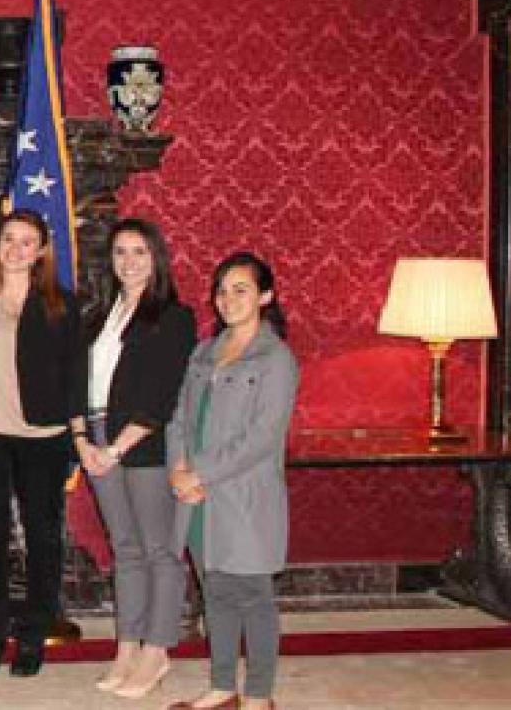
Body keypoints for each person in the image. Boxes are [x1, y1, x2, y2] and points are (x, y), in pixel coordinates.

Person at [69, 218, 196, 698]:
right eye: (120, 252)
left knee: (158, 548)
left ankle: (157, 648)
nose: (129, 262)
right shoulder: (97, 315)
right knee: (124, 548)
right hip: (96, 436)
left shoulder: (173, 316)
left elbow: (162, 393)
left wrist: (115, 448)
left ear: (156, 257)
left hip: (143, 442)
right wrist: (83, 441)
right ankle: (127, 644)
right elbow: (75, 383)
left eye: (139, 252)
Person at [166, 252, 298, 710]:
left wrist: (200, 473)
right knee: (215, 592)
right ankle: (223, 689)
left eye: (240, 289)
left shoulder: (275, 358)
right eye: (221, 290)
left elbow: (262, 437)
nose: (228, 299)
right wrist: (179, 473)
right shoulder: (204, 351)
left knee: (253, 596)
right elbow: (180, 418)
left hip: (243, 496)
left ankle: (259, 697)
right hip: (198, 496)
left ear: (265, 295)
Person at [0, 208, 83, 678]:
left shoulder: (60, 304)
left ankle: (33, 637)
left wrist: (77, 436)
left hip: (41, 437)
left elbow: (75, 375)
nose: (15, 249)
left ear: (41, 252)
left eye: (26, 241)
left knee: (42, 539)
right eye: (8, 238)